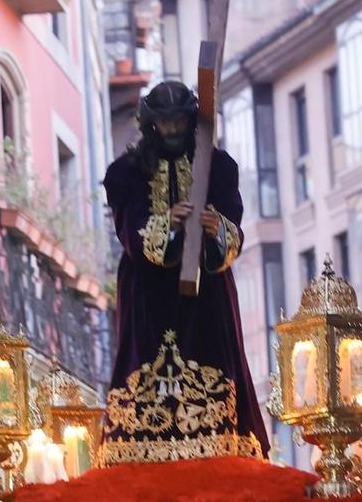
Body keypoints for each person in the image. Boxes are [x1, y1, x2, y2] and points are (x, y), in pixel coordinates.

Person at [102, 80, 268, 455]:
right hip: (148, 292)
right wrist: (167, 224)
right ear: (151, 124)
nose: (173, 130)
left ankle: (222, 438)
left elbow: (233, 227)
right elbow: (129, 228)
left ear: (191, 120)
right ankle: (142, 443)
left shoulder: (219, 167)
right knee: (146, 365)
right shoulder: (125, 173)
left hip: (207, 293)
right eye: (165, 123)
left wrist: (218, 229)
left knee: (213, 359)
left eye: (179, 121)